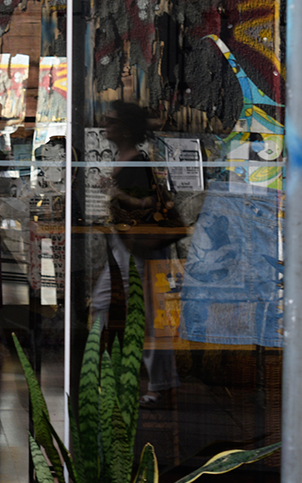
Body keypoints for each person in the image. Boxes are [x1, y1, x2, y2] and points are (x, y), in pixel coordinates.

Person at [90, 101, 179, 408]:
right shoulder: (125, 160)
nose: (106, 125)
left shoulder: (137, 163)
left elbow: (150, 204)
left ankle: (157, 385)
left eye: (111, 121)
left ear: (126, 129)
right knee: (118, 308)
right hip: (126, 247)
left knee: (145, 315)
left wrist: (117, 194)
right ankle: (150, 381)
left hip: (139, 250)